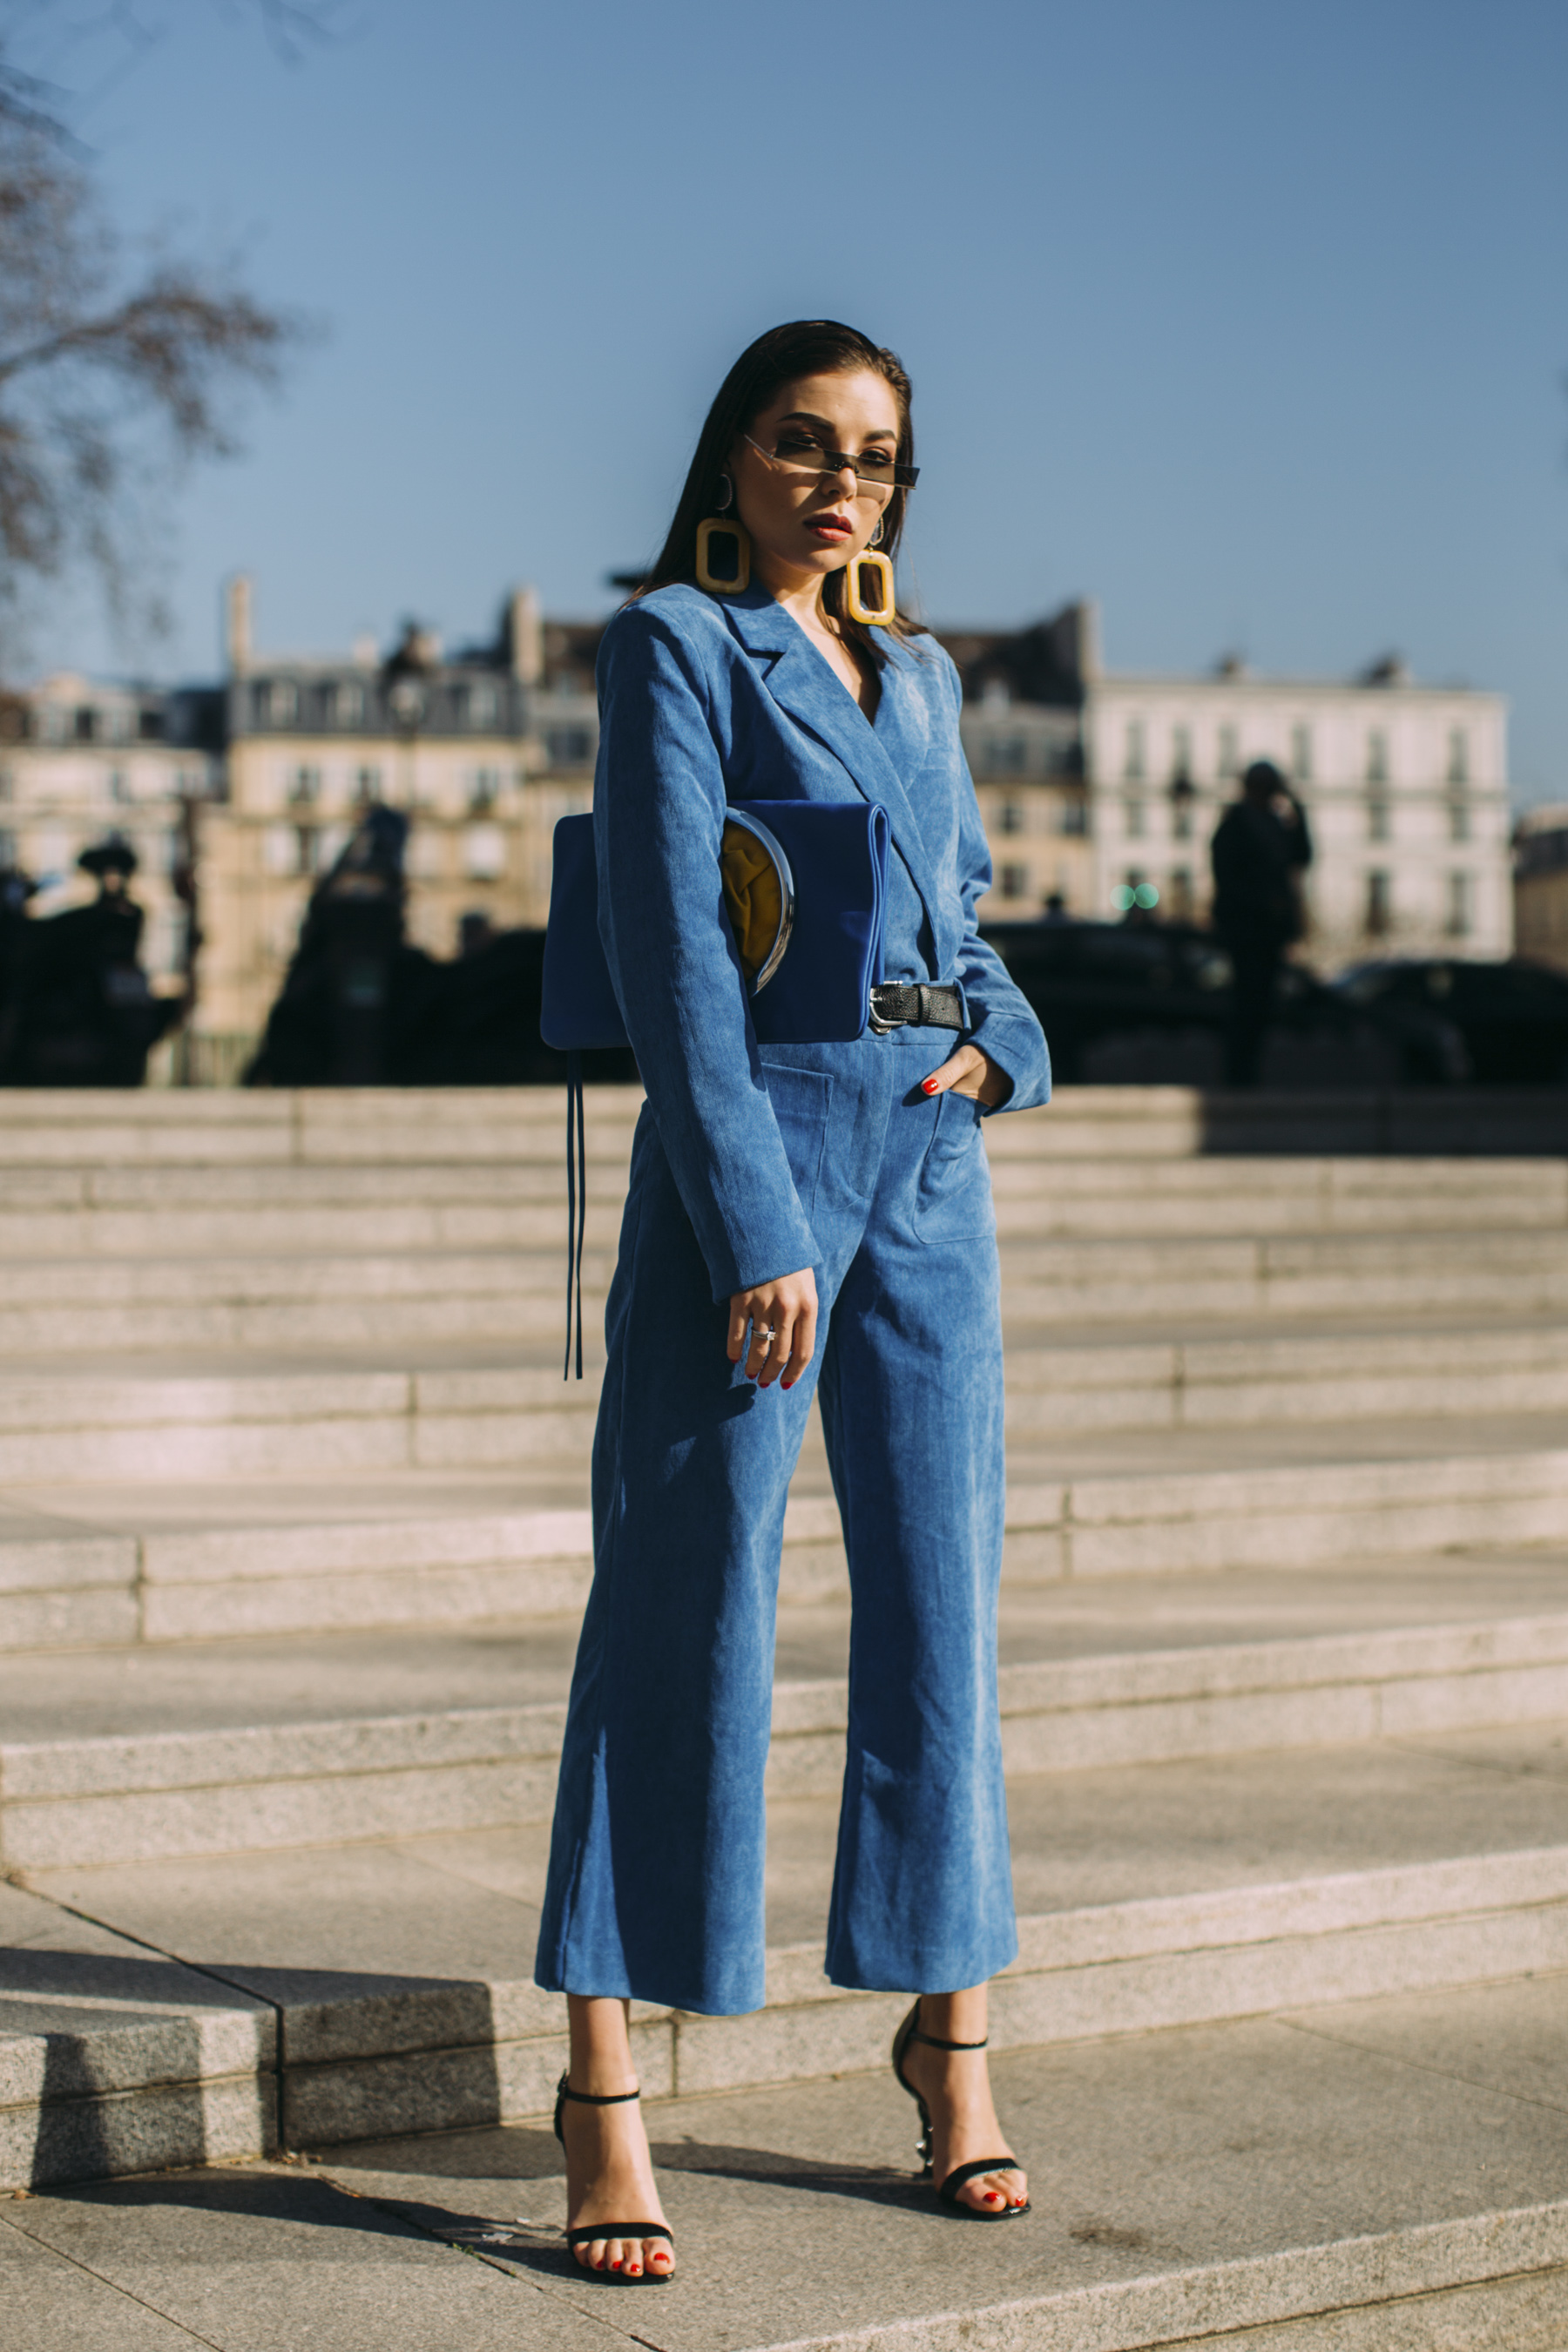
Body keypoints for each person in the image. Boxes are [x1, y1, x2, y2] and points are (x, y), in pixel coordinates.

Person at [534, 321, 1051, 2281]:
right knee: (684, 1600)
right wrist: (751, 1214)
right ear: (736, 461)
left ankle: (953, 2037)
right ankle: (602, 2087)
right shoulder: (678, 642)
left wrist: (1005, 1053)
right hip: (756, 1161)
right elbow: (674, 942)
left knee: (942, 1605)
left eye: (880, 455)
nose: (846, 482)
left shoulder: (915, 672)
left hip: (930, 1158)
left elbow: (969, 913)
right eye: (806, 443)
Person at [1209, 759, 1313, 1085]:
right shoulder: (1237, 824)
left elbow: (1303, 855)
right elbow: (1227, 875)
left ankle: (1246, 1072)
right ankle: (1240, 1073)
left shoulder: (1274, 823)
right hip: (1247, 928)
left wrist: (1298, 811)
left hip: (1269, 928)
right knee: (1247, 1001)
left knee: (1261, 1003)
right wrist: (1260, 902)